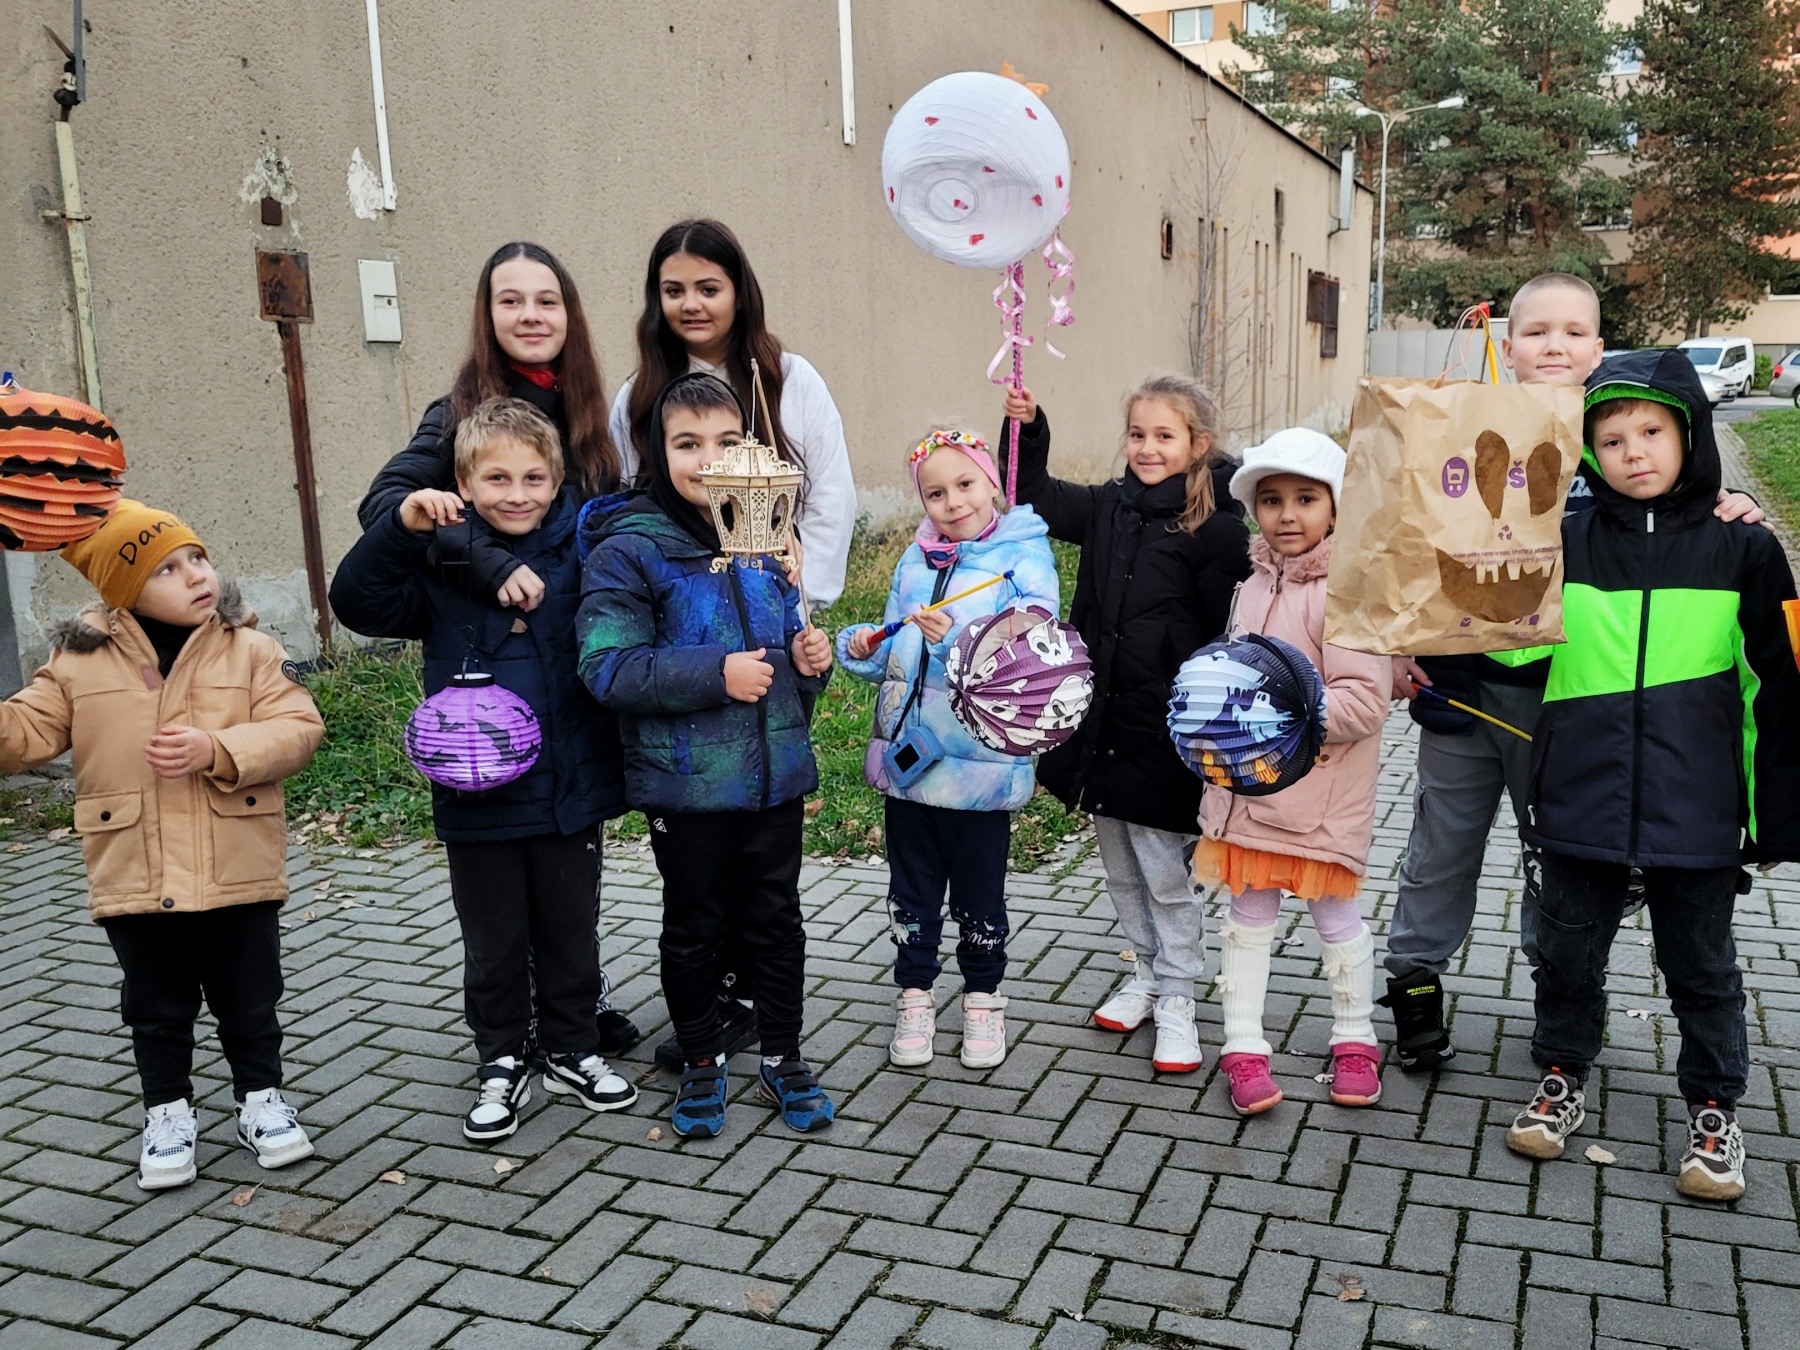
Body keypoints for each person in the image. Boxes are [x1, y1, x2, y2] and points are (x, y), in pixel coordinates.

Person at [1382, 272, 1767, 1070]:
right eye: (1535, 331)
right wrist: (1399, 643)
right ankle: (1413, 981)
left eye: (1572, 332)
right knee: (1440, 850)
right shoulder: (1459, 430)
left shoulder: (1616, 444)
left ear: (1598, 347)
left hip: (1569, 714)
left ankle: (1556, 1004)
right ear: (1508, 343)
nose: (1553, 346)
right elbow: (1411, 548)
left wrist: (1729, 504)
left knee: (1555, 866)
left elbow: (1674, 509)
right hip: (1460, 696)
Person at [1503, 350, 1800, 1202]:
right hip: (1579, 793)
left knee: (1702, 967)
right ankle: (1562, 1074)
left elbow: (1781, 686)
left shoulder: (1746, 548)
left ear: (1690, 435)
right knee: (1566, 954)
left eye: (1652, 432)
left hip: (1696, 803)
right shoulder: (1563, 540)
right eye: (1611, 439)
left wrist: (1773, 813)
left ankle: (1714, 1110)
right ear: (1589, 453)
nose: (1633, 452)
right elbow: (1512, 648)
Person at [354, 240, 638, 1058]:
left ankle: (575, 1005)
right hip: (488, 662)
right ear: (488, 314)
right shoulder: (455, 413)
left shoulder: (591, 414)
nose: (530, 315)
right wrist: (493, 564)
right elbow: (389, 503)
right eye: (510, 300)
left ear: (569, 313)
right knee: (503, 891)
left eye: (546, 300)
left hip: (570, 669)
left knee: (569, 876)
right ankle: (516, 1034)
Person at [332, 399, 638, 1142]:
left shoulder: (583, 555)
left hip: (569, 791)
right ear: (463, 485)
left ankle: (572, 1047)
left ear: (558, 481)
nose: (517, 493)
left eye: (534, 478)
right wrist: (402, 527)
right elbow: (357, 602)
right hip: (477, 797)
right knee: (494, 939)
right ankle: (501, 1056)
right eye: (496, 478)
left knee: (571, 930)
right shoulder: (442, 567)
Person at [0, 503, 324, 1191]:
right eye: (167, 570)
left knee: (250, 997)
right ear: (123, 591)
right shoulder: (78, 660)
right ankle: (168, 1111)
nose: (197, 576)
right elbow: (23, 734)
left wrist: (219, 748)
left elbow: (298, 729)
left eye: (197, 558)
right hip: (134, 869)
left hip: (236, 864)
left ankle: (261, 1099)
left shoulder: (251, 649)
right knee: (155, 1005)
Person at [612, 219, 857, 1074]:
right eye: (674, 289)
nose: (692, 304)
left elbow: (831, 492)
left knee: (761, 837)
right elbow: (632, 493)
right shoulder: (641, 391)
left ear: (738, 291)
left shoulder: (788, 379)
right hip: (683, 634)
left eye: (708, 287)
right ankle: (709, 1000)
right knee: (699, 851)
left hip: (769, 620)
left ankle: (756, 995)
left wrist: (799, 599)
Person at [577, 373, 835, 1140]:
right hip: (686, 788)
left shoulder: (759, 538)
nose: (709, 459)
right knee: (694, 927)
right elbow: (606, 667)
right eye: (688, 443)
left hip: (773, 782)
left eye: (727, 441)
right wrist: (715, 675)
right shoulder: (629, 550)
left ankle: (784, 1055)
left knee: (776, 924)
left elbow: (781, 667)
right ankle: (699, 1058)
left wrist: (806, 663)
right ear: (656, 451)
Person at [1001, 377, 1250, 1073]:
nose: (1147, 447)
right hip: (1100, 727)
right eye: (1138, 434)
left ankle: (1178, 996)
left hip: (1163, 738)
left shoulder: (1217, 530)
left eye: (1164, 436)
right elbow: (1031, 492)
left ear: (1198, 444)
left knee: (1164, 875)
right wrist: (1028, 426)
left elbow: (1230, 638)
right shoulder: (1109, 507)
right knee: (1120, 870)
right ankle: (1145, 972)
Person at [836, 427, 1060, 1070]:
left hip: (978, 767)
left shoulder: (1024, 558)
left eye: (965, 484)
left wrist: (951, 641)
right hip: (910, 762)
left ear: (992, 483)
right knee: (911, 890)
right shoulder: (916, 560)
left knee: (979, 894)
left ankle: (984, 998)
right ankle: (915, 994)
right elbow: (896, 647)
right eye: (935, 493)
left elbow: (1030, 659)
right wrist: (867, 644)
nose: (952, 502)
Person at [1195, 431, 1392, 1114]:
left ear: (1336, 508)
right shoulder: (1251, 586)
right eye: (1271, 500)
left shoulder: (1351, 591)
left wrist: (1273, 713)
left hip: (1320, 797)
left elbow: (1363, 702)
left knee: (1336, 916)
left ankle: (1356, 1038)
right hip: (1251, 791)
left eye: (1306, 498)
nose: (1286, 514)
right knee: (1247, 917)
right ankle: (1243, 1046)